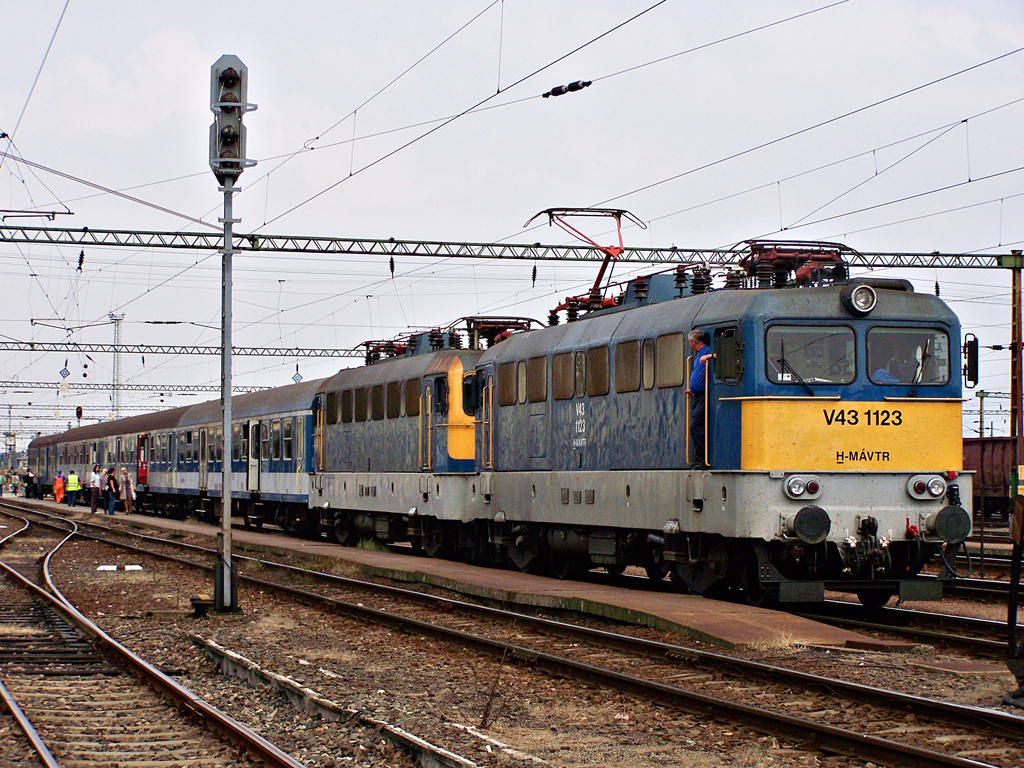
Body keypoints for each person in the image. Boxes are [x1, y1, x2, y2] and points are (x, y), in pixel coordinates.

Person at [685, 329, 715, 470]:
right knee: (697, 427)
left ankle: (704, 458)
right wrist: (692, 389)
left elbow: (722, 355)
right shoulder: (697, 355)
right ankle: (700, 458)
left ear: (693, 341)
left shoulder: (707, 351)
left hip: (704, 396)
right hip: (696, 396)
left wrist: (710, 356)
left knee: (695, 426)